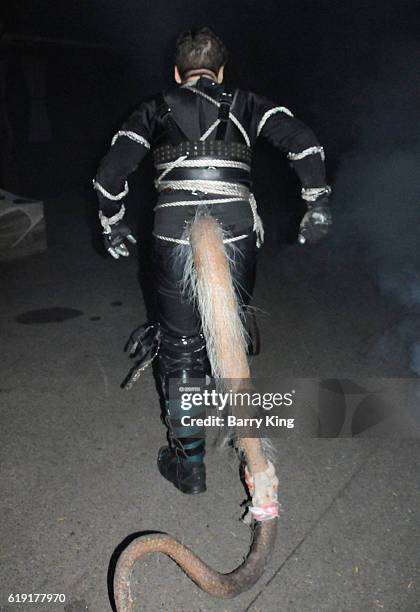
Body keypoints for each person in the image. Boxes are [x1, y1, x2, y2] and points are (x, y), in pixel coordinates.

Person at [93, 27, 331, 495]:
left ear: (177, 73)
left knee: (180, 345)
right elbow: (304, 143)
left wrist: (111, 224)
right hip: (238, 227)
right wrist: (317, 201)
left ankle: (189, 464)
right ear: (221, 72)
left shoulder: (152, 108)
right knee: (229, 329)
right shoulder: (248, 102)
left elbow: (109, 176)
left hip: (171, 228)